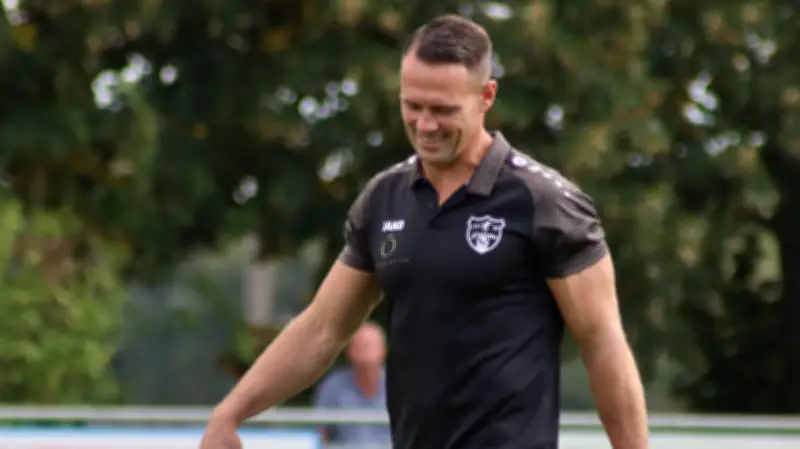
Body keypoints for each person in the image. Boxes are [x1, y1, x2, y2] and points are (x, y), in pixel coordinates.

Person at [199, 14, 649, 449]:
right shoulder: (384, 198)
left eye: (443, 110)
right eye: (412, 106)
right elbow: (322, 328)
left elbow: (602, 341)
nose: (425, 125)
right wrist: (230, 413)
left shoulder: (545, 202)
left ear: (486, 96)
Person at [312, 322, 391, 447]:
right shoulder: (333, 386)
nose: (366, 352)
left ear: (384, 350)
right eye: (361, 346)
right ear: (349, 351)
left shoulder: (398, 385)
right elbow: (320, 432)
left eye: (370, 346)